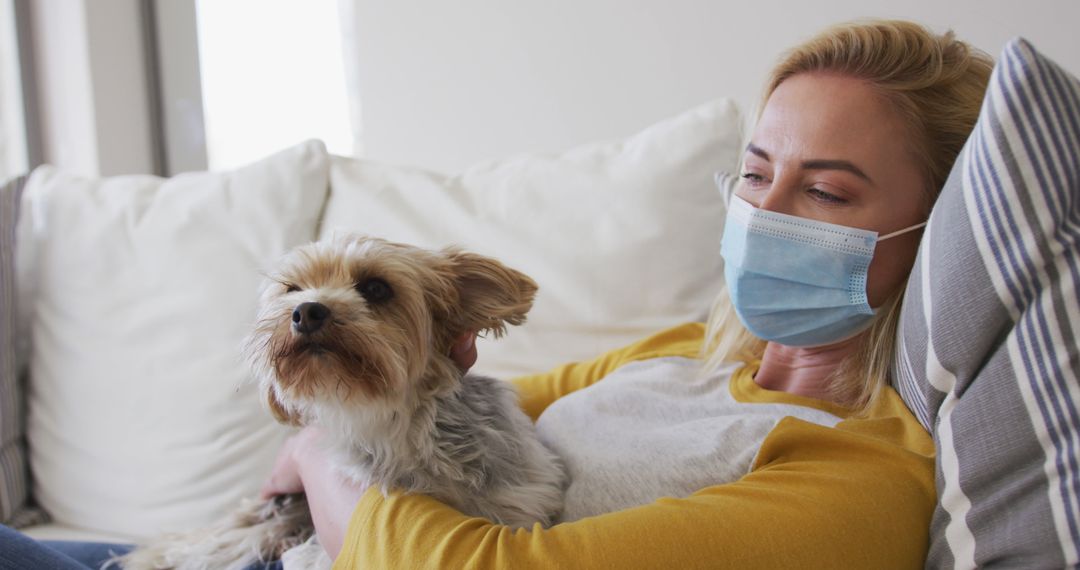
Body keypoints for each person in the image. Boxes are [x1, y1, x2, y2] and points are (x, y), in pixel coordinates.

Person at [0, 18, 993, 570]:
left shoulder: (858, 475)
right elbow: (457, 395)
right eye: (755, 171)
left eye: (824, 189)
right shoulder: (690, 351)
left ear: (940, 228)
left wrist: (312, 450)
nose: (765, 211)